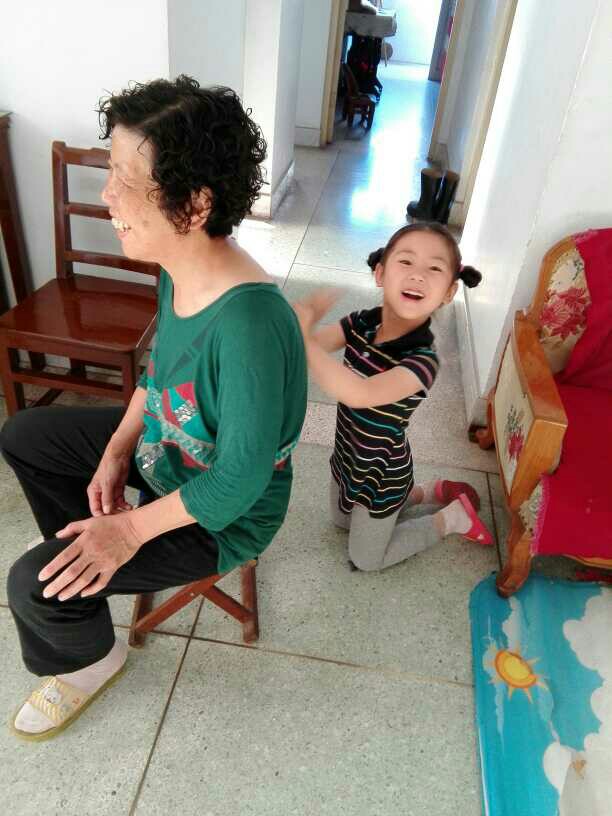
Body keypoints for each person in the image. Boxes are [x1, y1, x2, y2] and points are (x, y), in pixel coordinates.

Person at [0, 76, 307, 740]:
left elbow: (239, 482)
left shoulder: (250, 325)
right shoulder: (180, 269)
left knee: (28, 586)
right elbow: (159, 372)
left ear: (193, 205)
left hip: (224, 515)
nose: (106, 195)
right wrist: (116, 451)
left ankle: (91, 659)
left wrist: (130, 533)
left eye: (124, 179)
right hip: (168, 454)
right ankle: (78, 553)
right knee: (25, 435)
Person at [293, 222, 492, 573]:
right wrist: (303, 326)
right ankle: (424, 493)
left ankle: (452, 519)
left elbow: (358, 393)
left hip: (382, 475)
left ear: (448, 292)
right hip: (347, 457)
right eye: (406, 261)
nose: (418, 275)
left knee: (366, 559)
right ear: (380, 273)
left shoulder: (423, 361)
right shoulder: (361, 323)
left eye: (434, 268)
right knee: (341, 522)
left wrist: (304, 336)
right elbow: (309, 349)